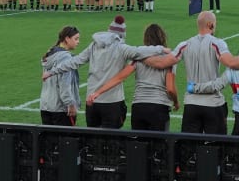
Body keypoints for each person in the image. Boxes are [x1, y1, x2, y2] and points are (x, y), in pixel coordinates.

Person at [44, 15, 178, 128]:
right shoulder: (121, 48)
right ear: (121, 34)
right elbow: (140, 51)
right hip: (112, 102)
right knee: (111, 144)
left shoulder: (94, 45)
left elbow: (76, 61)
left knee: (93, 142)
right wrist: (161, 49)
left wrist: (52, 72)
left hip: (92, 102)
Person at [173, 11, 239, 135]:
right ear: (211, 25)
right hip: (215, 105)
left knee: (188, 148)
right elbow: (231, 63)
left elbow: (165, 62)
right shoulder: (217, 43)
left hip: (191, 104)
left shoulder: (184, 45)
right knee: (217, 147)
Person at [86, 23, 179, 131]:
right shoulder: (170, 59)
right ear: (163, 37)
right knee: (159, 145)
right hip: (159, 107)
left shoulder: (138, 58)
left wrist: (98, 92)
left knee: (137, 145)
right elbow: (170, 88)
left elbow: (119, 77)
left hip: (138, 107)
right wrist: (176, 102)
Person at [40, 26, 82, 126]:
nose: (78, 42)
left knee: (48, 140)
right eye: (76, 39)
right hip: (61, 109)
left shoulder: (50, 54)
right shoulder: (66, 58)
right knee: (65, 140)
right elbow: (64, 84)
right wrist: (70, 104)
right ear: (67, 39)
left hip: (45, 106)